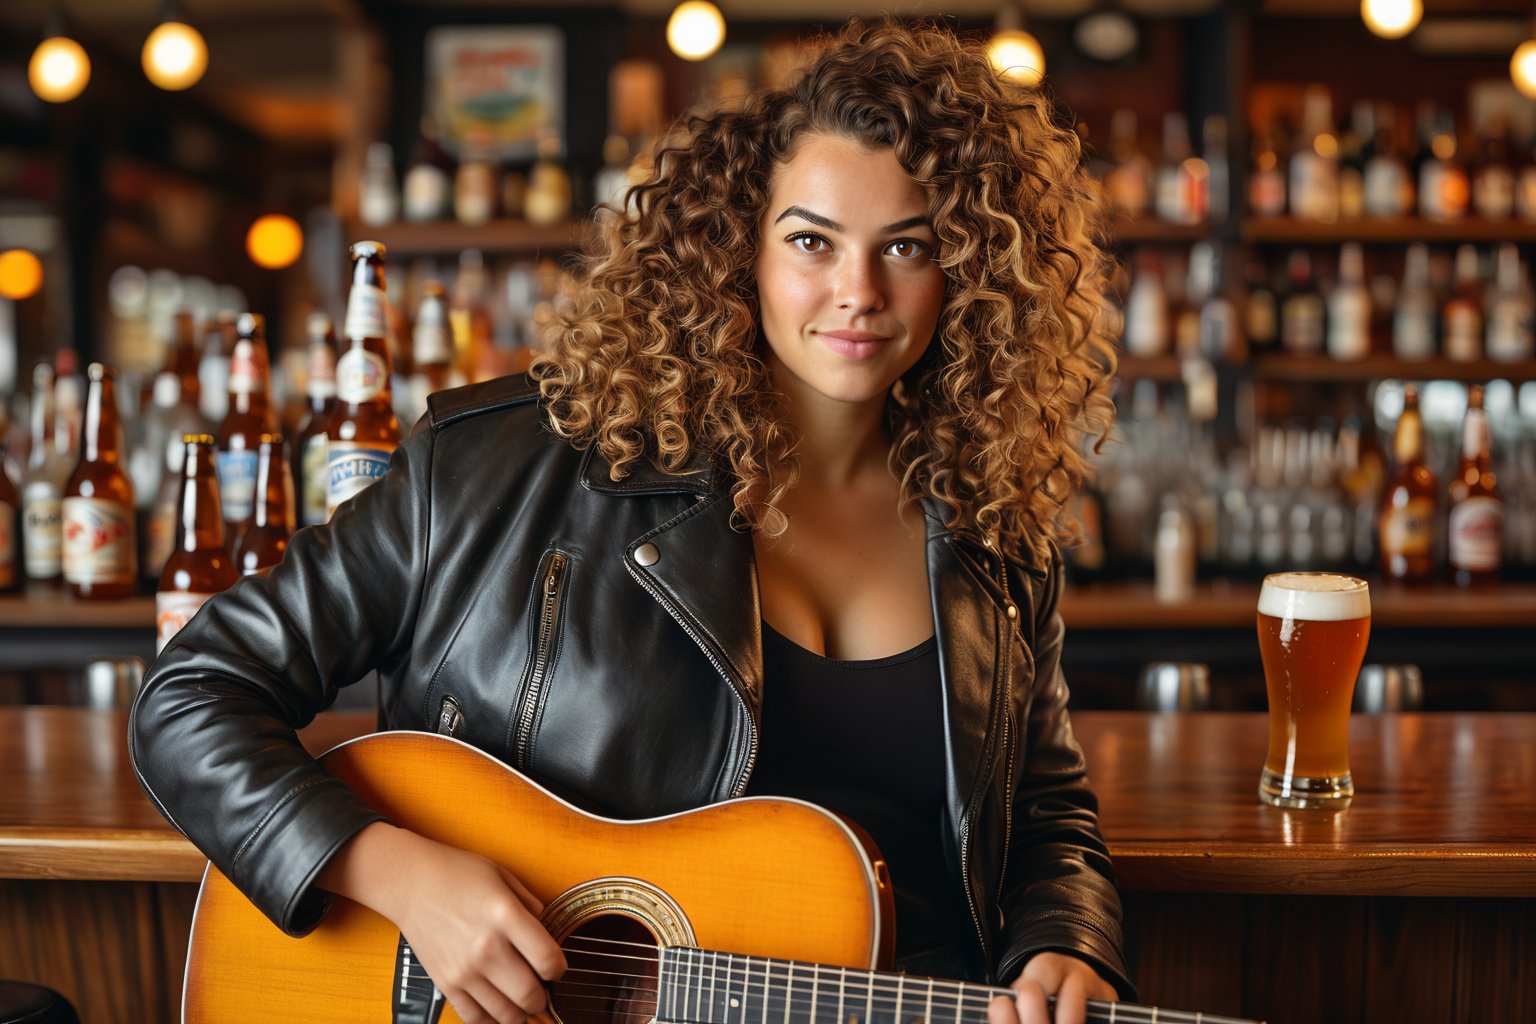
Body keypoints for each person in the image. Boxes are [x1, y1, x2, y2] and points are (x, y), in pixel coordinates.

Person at [131, 18, 1130, 1024]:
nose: (857, 293)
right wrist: (400, 875)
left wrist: (1067, 941)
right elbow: (191, 696)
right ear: (736, 245)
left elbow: (1046, 812)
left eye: (907, 245)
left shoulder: (996, 529)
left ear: (971, 271)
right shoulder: (494, 468)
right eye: (810, 241)